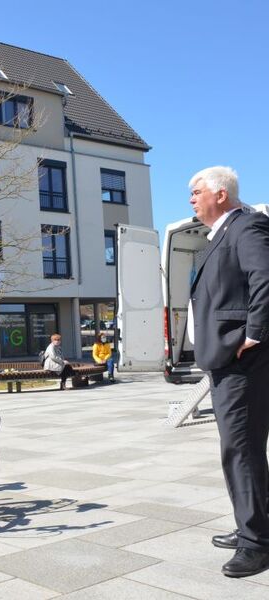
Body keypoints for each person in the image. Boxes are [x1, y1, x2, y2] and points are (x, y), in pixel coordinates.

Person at [189, 166, 269, 578]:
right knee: (242, 449)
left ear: (221, 194)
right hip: (226, 360)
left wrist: (254, 332)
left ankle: (256, 543)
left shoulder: (247, 225)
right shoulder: (221, 233)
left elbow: (265, 277)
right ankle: (252, 527)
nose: (191, 198)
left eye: (196, 191)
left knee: (241, 450)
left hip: (243, 361)